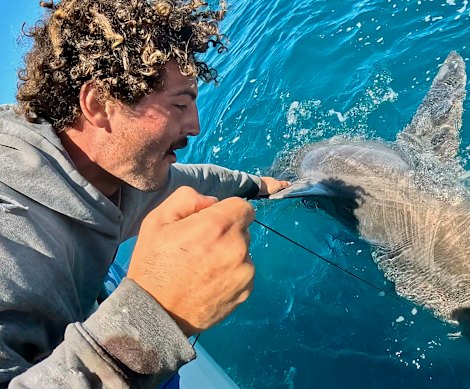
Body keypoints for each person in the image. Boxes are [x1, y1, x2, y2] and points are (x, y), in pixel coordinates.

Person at [0, 0, 289, 387]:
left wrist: (260, 185)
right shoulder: (13, 238)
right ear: (99, 105)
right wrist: (154, 317)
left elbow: (195, 180)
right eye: (180, 104)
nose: (196, 125)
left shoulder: (113, 174)